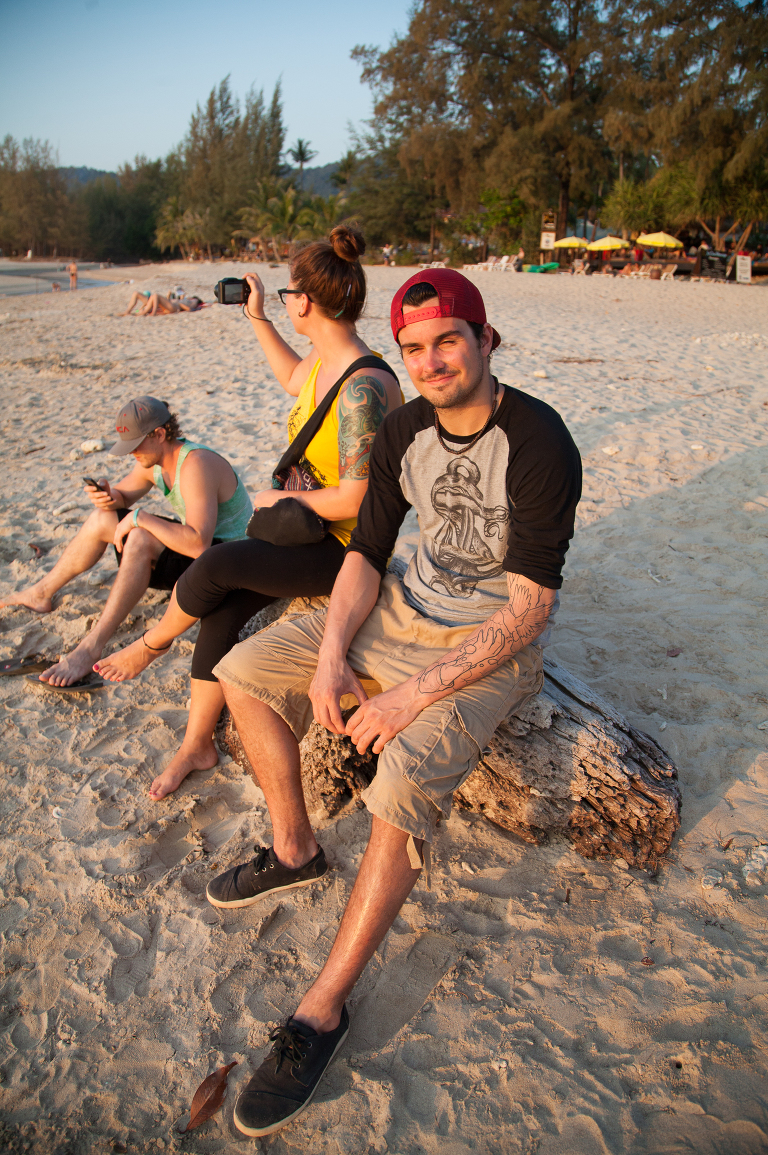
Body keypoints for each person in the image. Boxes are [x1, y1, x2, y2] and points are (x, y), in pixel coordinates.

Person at [194, 268, 581, 1138]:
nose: (432, 361)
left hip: (490, 641)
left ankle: (321, 1010)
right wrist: (333, 653)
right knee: (245, 670)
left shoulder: (539, 440)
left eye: (449, 341)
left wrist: (407, 697)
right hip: (402, 609)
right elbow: (366, 554)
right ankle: (294, 849)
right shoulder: (405, 427)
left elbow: (531, 608)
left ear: (486, 340)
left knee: (399, 781)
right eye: (414, 348)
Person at [95, 226, 402, 802]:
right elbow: (291, 378)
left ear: (304, 302)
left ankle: (149, 647)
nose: (286, 303)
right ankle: (197, 744)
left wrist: (279, 500)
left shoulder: (365, 386)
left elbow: (358, 500)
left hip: (346, 549)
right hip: (307, 536)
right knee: (223, 608)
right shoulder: (326, 363)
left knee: (214, 566)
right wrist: (257, 316)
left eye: (287, 295)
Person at [1, 397, 252, 687]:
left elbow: (198, 543)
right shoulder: (154, 460)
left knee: (141, 536)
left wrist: (139, 518)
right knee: (103, 518)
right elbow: (122, 497)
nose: (131, 452)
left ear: (160, 434)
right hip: (202, 554)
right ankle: (41, 593)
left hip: (230, 564)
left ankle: (90, 648)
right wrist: (108, 496)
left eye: (135, 445)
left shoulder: (196, 464)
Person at [121, 291, 203, 316]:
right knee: (136, 293)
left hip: (170, 307)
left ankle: (151, 313)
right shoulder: (182, 300)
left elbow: (184, 306)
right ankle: (127, 311)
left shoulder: (192, 301)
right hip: (163, 304)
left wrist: (191, 308)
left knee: (155, 295)